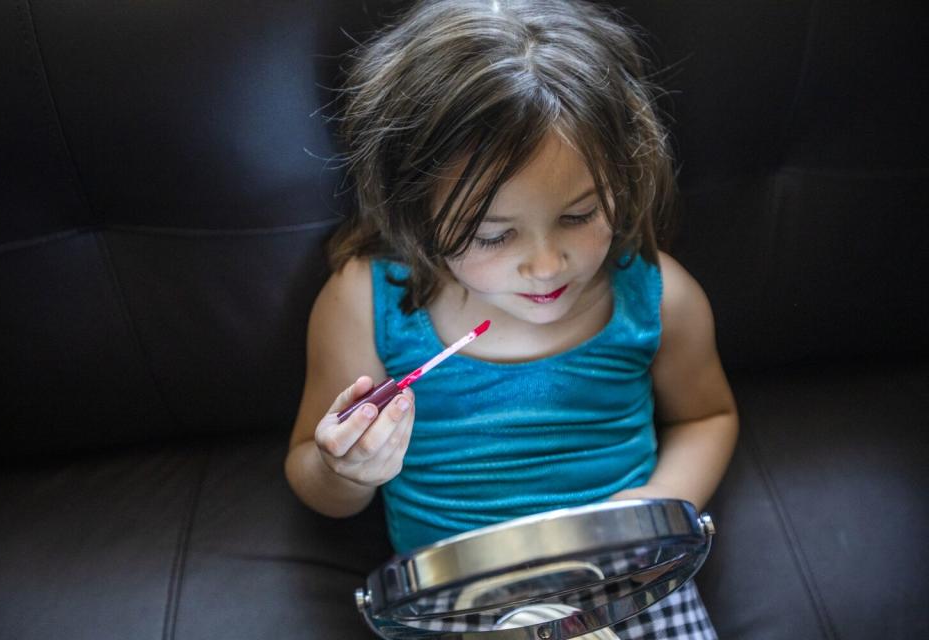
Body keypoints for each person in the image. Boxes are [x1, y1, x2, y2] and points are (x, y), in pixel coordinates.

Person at [286, 0, 738, 637]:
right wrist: (345, 469)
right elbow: (311, 473)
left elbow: (708, 415)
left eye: (579, 216)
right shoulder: (367, 300)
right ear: (415, 208)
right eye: (494, 237)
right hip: (454, 600)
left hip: (629, 579)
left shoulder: (655, 294)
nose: (547, 265)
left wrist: (646, 511)